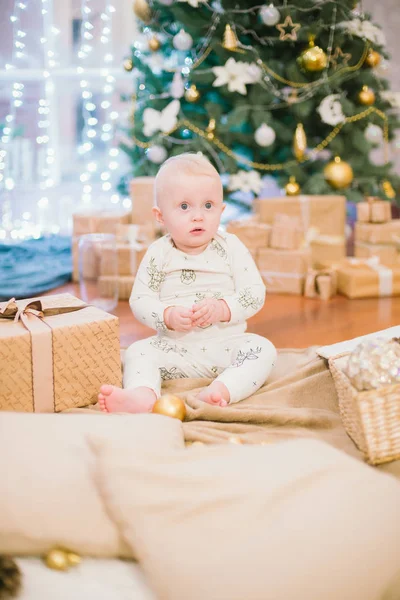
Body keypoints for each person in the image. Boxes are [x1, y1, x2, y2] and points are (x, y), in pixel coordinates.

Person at [98, 153, 276, 413]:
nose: (198, 216)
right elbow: (140, 300)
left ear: (221, 210)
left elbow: (254, 293)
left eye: (208, 205)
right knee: (137, 351)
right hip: (174, 348)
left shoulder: (231, 247)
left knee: (263, 350)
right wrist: (166, 315)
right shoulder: (159, 253)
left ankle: (222, 389)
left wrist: (222, 308)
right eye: (184, 207)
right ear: (160, 216)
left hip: (225, 346)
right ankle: (142, 395)